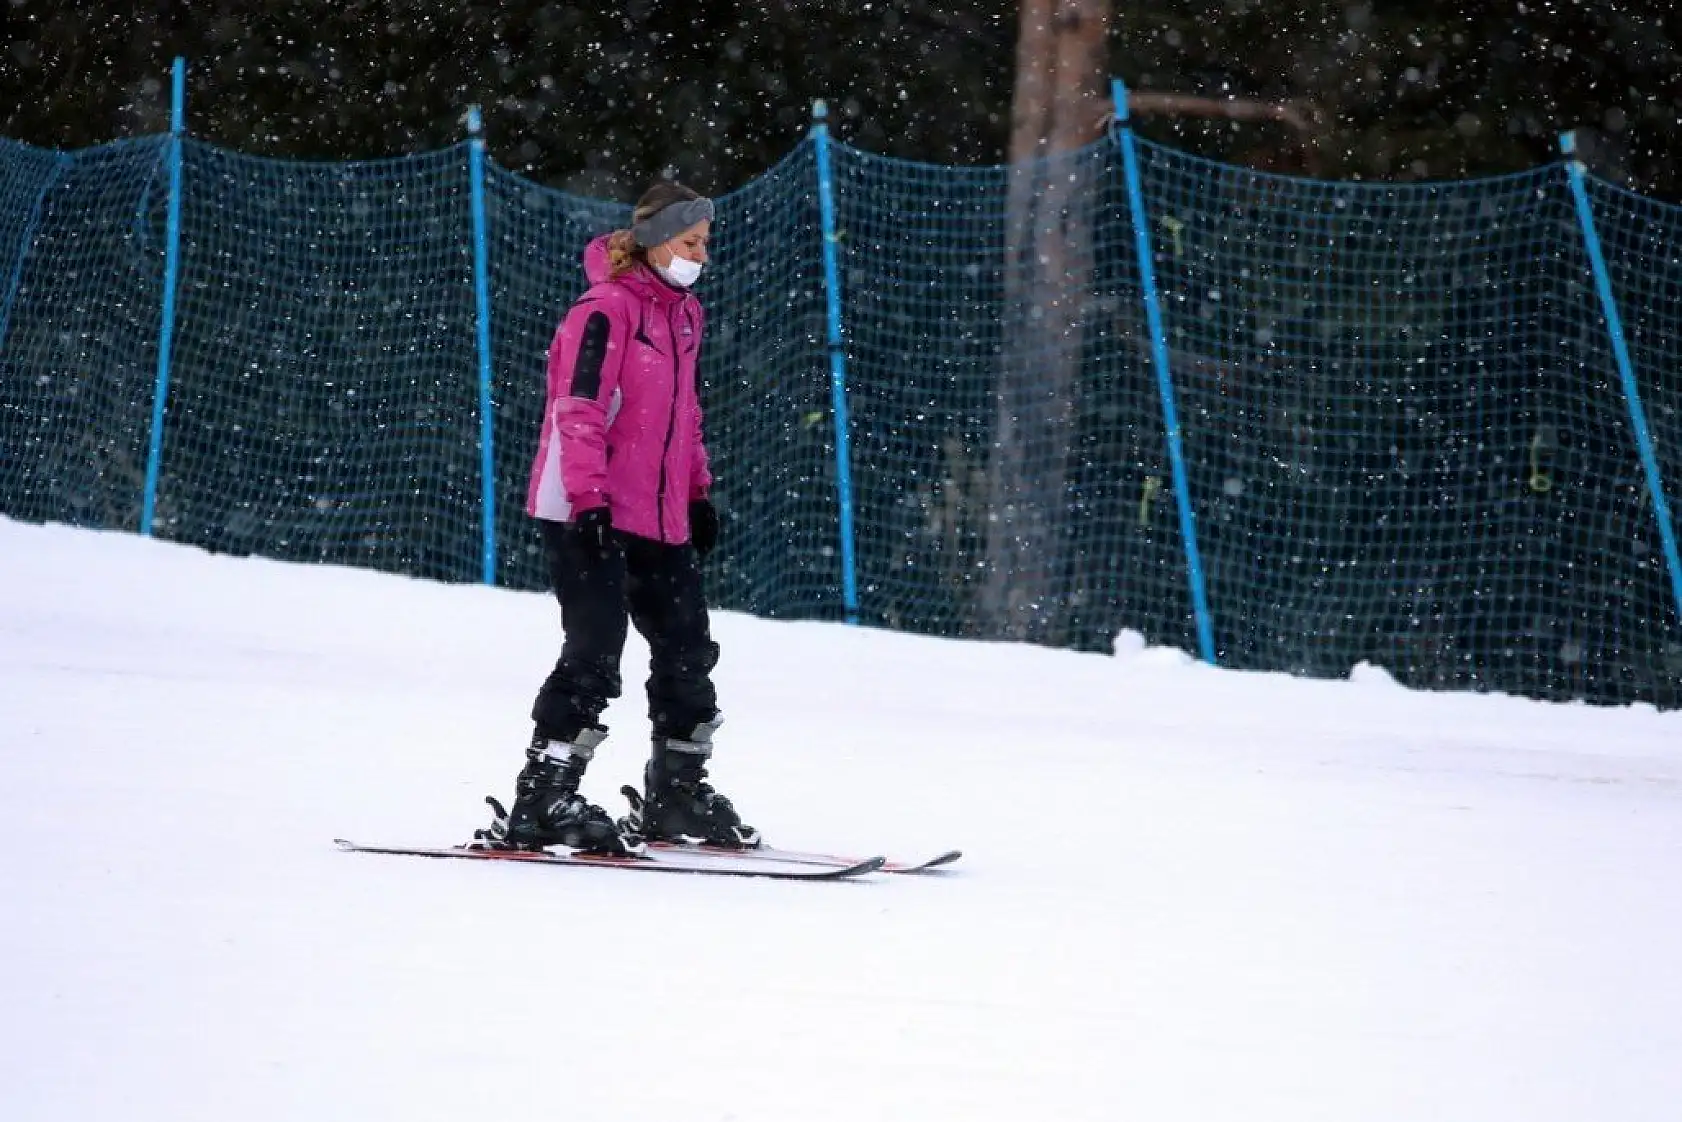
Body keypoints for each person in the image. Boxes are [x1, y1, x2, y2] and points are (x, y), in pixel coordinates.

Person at [479, 180, 757, 856]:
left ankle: (676, 794)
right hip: (590, 508)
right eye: (691, 242)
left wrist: (696, 492)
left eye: (705, 243)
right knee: (595, 650)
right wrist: (588, 502)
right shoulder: (604, 309)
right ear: (656, 241)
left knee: (688, 648)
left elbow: (684, 415)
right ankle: (543, 798)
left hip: (659, 514)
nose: (701, 255)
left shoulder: (683, 315)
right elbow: (576, 409)